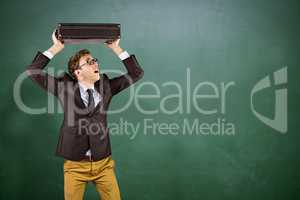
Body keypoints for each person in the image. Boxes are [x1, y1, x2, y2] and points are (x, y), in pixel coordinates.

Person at [26, 31, 144, 200]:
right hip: (75, 166)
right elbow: (33, 70)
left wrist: (116, 48)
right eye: (89, 62)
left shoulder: (107, 87)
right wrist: (56, 47)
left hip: (103, 164)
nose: (95, 63)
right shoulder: (63, 87)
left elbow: (136, 73)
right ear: (78, 72)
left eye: (95, 60)